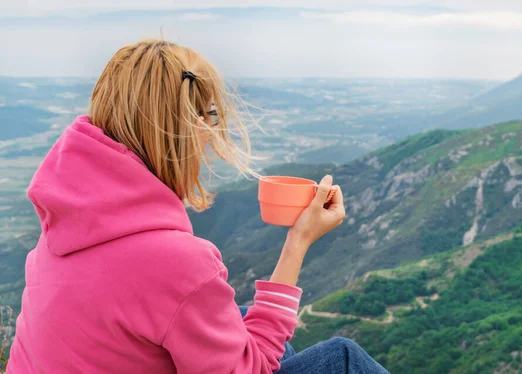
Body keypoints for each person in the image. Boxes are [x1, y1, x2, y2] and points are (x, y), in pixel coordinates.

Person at [7, 39, 389, 374]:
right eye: (210, 114)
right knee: (342, 359)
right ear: (188, 128)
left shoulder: (63, 225)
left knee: (241, 322)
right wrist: (299, 241)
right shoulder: (178, 263)